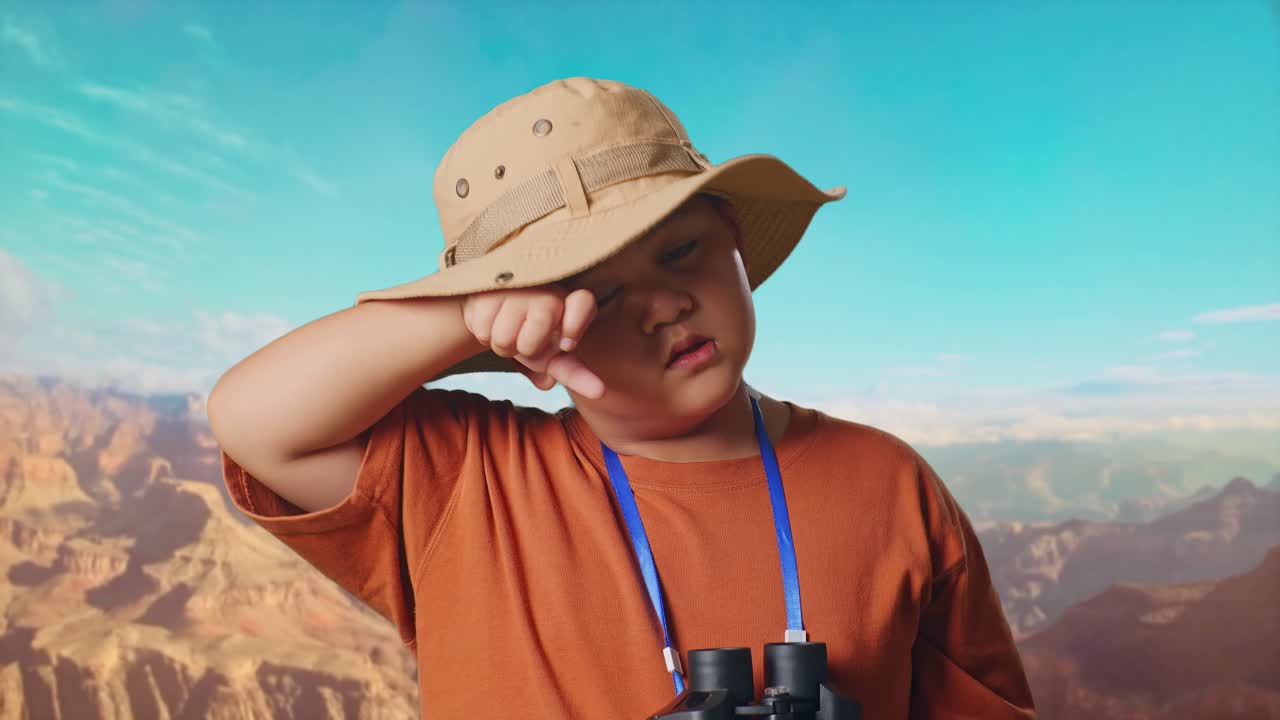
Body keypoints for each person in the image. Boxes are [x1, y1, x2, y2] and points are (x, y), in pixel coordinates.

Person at [207, 77, 1036, 719]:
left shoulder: (888, 483)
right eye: (596, 295)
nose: (664, 306)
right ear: (533, 343)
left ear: (735, 241)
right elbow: (254, 422)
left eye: (681, 252)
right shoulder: (462, 480)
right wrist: (464, 314)